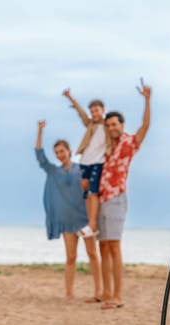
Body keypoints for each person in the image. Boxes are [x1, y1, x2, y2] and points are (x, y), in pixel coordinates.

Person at [97, 79, 151, 310]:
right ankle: (106, 292)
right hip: (100, 199)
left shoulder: (129, 142)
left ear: (121, 124)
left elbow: (145, 126)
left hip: (117, 198)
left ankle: (118, 296)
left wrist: (147, 100)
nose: (112, 128)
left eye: (114, 124)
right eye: (108, 125)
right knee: (103, 247)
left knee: (115, 246)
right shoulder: (105, 146)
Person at [35, 120, 102, 302]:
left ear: (69, 151)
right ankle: (69, 292)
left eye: (62, 151)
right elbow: (40, 156)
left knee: (92, 254)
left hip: (85, 218)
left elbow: (92, 189)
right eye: (56, 152)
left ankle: (98, 291)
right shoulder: (53, 171)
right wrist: (40, 130)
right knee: (71, 257)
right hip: (67, 220)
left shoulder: (81, 169)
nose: (59, 155)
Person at [62, 89, 111, 238]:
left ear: (103, 110)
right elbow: (81, 112)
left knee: (93, 193)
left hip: (98, 162)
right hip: (85, 162)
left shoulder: (109, 126)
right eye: (92, 111)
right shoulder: (90, 124)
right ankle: (91, 225)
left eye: (97, 110)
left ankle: (92, 225)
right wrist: (71, 98)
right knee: (86, 195)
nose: (94, 114)